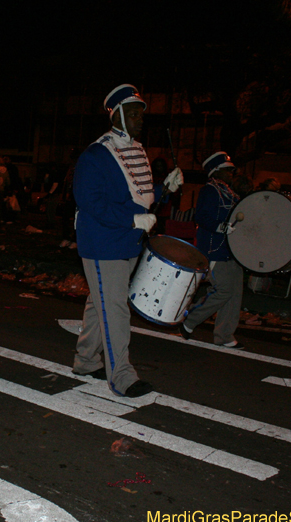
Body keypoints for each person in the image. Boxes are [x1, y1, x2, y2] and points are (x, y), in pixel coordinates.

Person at [72, 84, 183, 398]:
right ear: (116, 114)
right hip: (103, 242)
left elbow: (139, 196)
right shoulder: (97, 153)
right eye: (133, 113)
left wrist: (165, 189)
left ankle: (85, 361)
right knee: (116, 308)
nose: (139, 119)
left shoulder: (136, 148)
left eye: (141, 114)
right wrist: (131, 220)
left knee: (100, 303)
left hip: (126, 240)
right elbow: (89, 200)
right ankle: (121, 376)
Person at [179, 152, 244, 349]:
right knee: (223, 289)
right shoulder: (209, 190)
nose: (231, 173)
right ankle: (190, 319)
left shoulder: (230, 193)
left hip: (232, 251)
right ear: (216, 172)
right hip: (214, 249)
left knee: (235, 293)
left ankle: (224, 335)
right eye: (227, 170)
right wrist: (220, 226)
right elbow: (201, 217)